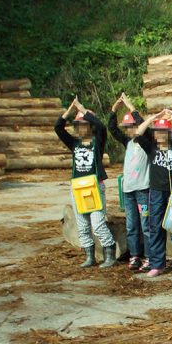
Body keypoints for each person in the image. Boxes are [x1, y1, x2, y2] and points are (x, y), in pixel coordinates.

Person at [56, 97, 116, 268]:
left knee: (97, 224)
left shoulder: (97, 142)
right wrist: (69, 110)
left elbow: (102, 127)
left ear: (90, 126)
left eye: (84, 125)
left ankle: (109, 254)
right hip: (78, 188)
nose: (81, 128)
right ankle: (90, 256)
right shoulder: (74, 143)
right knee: (82, 225)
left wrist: (83, 109)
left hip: (95, 187)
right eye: (78, 125)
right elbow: (58, 128)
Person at [135, 108, 172, 277]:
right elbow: (138, 133)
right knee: (155, 227)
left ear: (170, 133)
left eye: (164, 131)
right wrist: (152, 119)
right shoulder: (151, 148)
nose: (161, 135)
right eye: (158, 132)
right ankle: (157, 264)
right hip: (156, 192)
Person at [108, 93, 150, 271]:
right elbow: (112, 129)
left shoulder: (146, 141)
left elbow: (143, 125)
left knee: (146, 225)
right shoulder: (128, 142)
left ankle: (149, 257)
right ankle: (135, 256)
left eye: (131, 126)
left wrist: (132, 108)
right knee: (132, 225)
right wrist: (114, 110)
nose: (128, 130)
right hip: (128, 191)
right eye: (126, 128)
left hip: (143, 190)